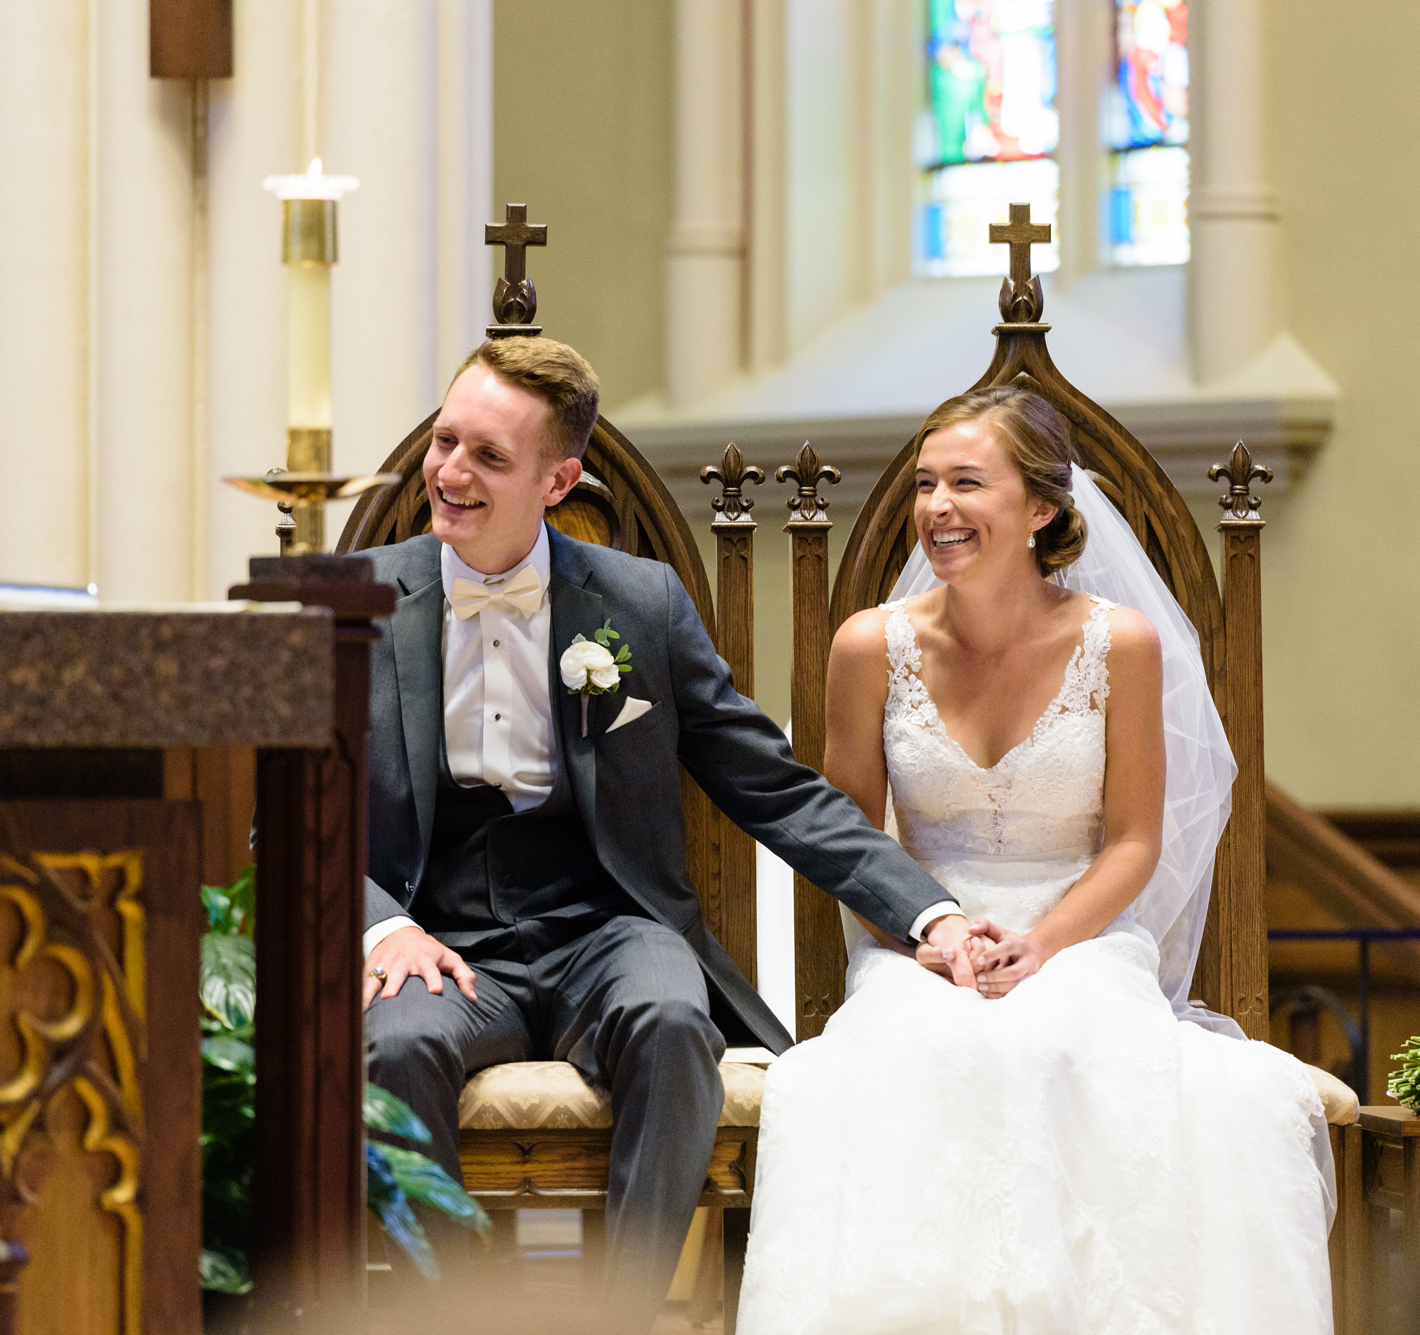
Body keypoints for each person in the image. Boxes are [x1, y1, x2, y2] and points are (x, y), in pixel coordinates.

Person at [357, 336, 992, 1328]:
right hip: (432, 935)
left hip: (604, 926)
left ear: (557, 479)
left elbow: (773, 786)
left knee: (668, 1019)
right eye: (444, 442)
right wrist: (380, 927)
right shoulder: (352, 602)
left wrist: (930, 917)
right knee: (391, 1050)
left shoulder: (636, 606)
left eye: (487, 456)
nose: (448, 473)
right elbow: (285, 821)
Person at [736, 386, 1336, 1334]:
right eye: (926, 485)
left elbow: (1136, 838)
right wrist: (926, 937)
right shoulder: (869, 647)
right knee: (924, 1051)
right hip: (918, 943)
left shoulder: (1118, 643)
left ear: (1043, 509)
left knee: (1056, 1044)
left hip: (1080, 934)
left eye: (967, 483)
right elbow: (846, 842)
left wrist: (1046, 942)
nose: (936, 508)